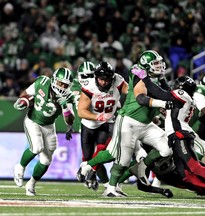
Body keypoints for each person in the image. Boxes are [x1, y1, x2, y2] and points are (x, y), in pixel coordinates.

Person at [137, 75, 205, 201]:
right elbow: (166, 91)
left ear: (181, 88)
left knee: (194, 167)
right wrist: (162, 79)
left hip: (180, 134)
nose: (173, 88)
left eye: (176, 85)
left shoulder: (181, 95)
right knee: (186, 175)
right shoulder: (187, 98)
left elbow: (160, 93)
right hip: (177, 135)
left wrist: (145, 79)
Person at [102, 50, 176, 197]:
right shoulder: (138, 75)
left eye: (159, 63)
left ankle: (140, 167)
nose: (159, 66)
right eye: (155, 63)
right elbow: (141, 99)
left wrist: (162, 86)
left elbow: (167, 93)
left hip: (146, 124)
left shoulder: (155, 77)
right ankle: (110, 188)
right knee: (123, 158)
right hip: (129, 121)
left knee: (167, 148)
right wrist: (163, 103)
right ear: (146, 66)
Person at [13, 67, 76, 196]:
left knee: (46, 160)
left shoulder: (68, 96)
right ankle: (20, 167)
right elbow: (25, 94)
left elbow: (69, 121)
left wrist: (65, 106)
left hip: (49, 126)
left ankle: (31, 184)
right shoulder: (41, 82)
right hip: (33, 121)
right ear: (54, 80)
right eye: (60, 83)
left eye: (65, 85)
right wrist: (22, 101)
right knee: (36, 147)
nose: (62, 87)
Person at [77, 61, 128, 191]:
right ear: (95, 78)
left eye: (107, 79)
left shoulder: (118, 81)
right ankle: (93, 176)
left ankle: (92, 173)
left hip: (107, 122)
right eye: (101, 79)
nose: (104, 82)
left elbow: (133, 92)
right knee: (88, 157)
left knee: (100, 150)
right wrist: (97, 117)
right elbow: (81, 111)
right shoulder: (89, 86)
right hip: (89, 124)